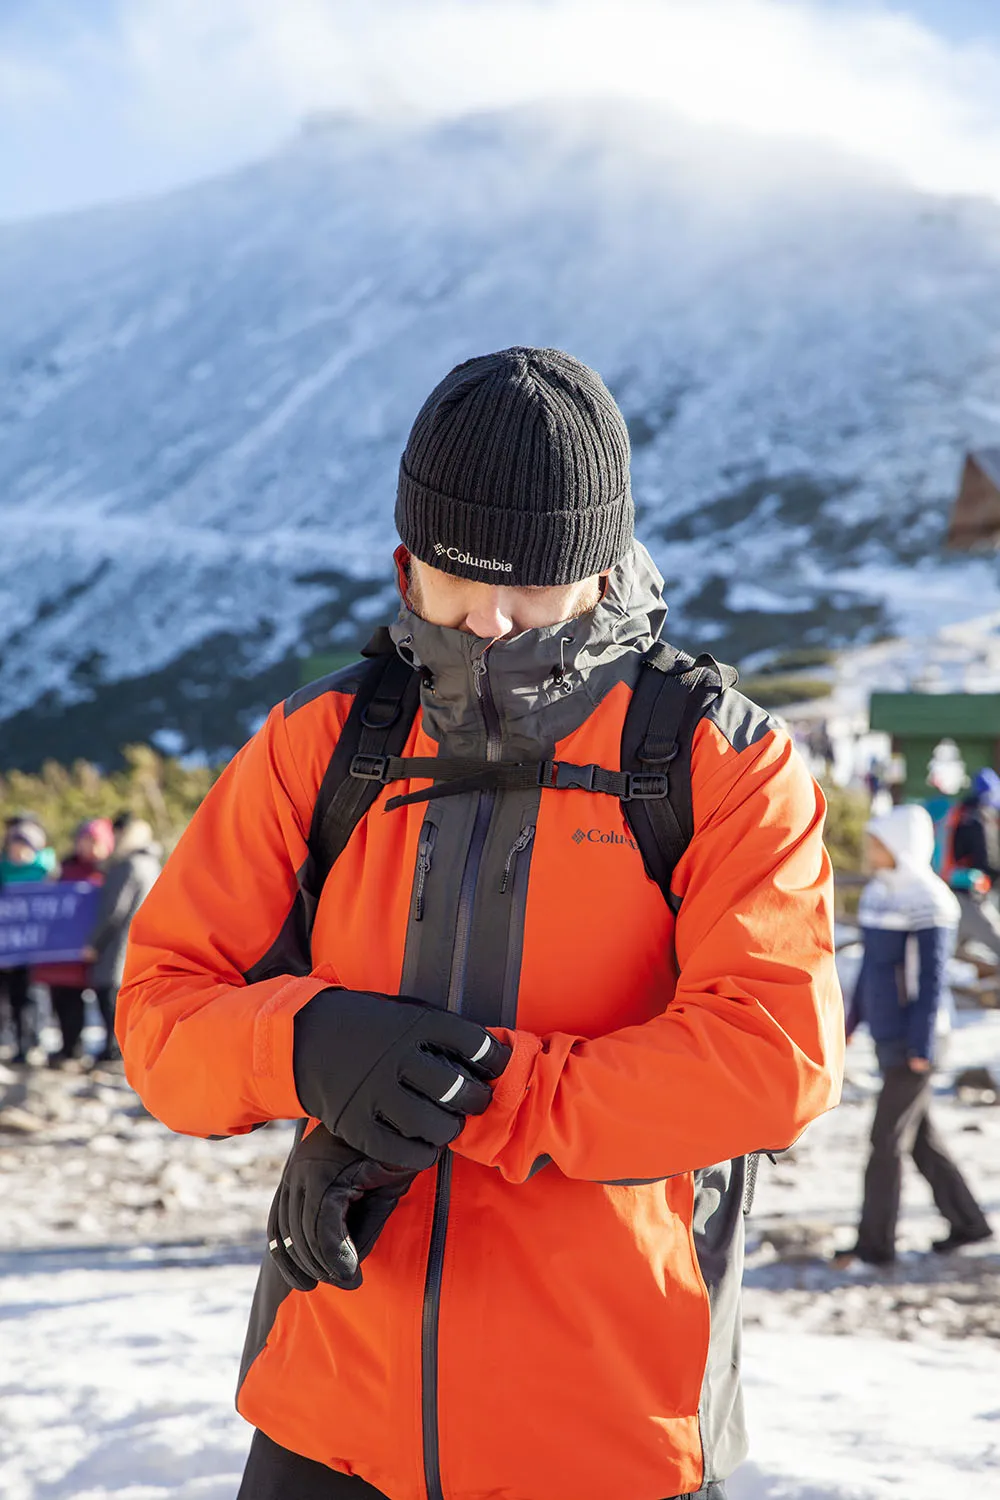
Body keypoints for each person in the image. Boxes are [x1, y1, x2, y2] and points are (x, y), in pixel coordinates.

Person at [118, 347, 844, 1500]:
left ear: (601, 569)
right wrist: (303, 1048)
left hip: (609, 1428)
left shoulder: (715, 759)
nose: (492, 620)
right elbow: (160, 1014)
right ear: (405, 558)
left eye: (535, 584)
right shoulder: (324, 744)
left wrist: (465, 1094)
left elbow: (772, 1061)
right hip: (329, 1414)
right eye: (457, 579)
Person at [835, 805, 993, 1269]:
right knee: (920, 1139)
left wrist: (921, 1046)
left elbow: (931, 981)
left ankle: (874, 1245)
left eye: (878, 843)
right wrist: (848, 1026)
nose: (870, 851)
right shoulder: (878, 895)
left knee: (885, 1140)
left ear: (901, 846)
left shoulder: (931, 900)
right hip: (887, 1037)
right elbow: (869, 970)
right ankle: (969, 1223)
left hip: (917, 1042)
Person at [33, 817, 115, 1066]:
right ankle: (70, 1047)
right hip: (66, 952)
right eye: (85, 841)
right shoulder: (64, 869)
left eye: (94, 842)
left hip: (100, 951)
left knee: (105, 1003)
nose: (89, 847)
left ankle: (109, 1050)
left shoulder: (110, 871)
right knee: (65, 1002)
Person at [83, 816, 160, 1062]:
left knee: (111, 999)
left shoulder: (128, 866)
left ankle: (113, 1050)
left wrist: (95, 943)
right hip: (142, 942)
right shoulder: (152, 864)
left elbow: (113, 910)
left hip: (118, 944)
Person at [0, 816, 56, 1063]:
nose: (19, 849)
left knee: (31, 998)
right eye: (15, 843)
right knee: (8, 998)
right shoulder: (3, 870)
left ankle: (28, 1042)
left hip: (35, 950)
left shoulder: (47, 872)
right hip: (6, 948)